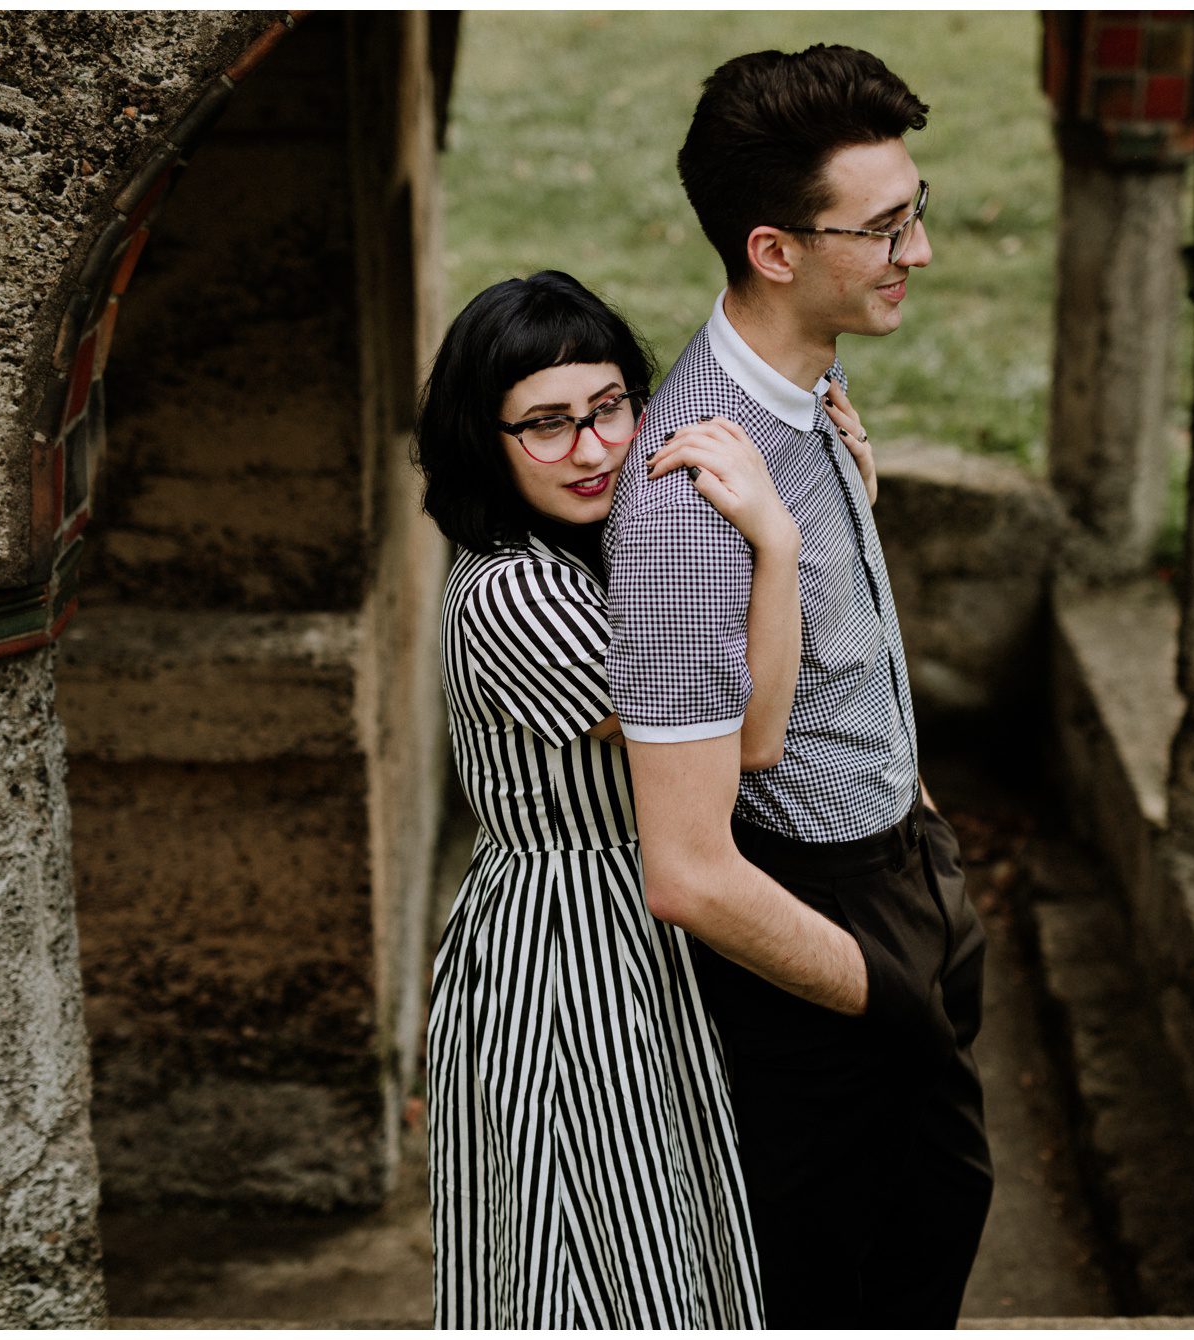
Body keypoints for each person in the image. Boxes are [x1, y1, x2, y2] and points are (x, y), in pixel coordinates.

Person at [603, 45, 993, 1327]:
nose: (915, 253)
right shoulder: (681, 502)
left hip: (902, 866)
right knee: (853, 1279)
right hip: (817, 932)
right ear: (774, 250)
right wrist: (881, 989)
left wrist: (930, 845)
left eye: (913, 210)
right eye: (880, 230)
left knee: (926, 1232)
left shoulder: (807, 372)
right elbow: (685, 864)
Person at [415, 269, 851, 1327]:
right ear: (487, 439)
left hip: (632, 925)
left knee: (664, 1232)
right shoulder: (517, 593)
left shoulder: (598, 550)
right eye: (546, 426)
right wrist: (782, 542)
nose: (594, 448)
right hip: (570, 958)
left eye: (608, 408)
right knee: (598, 1256)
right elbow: (749, 736)